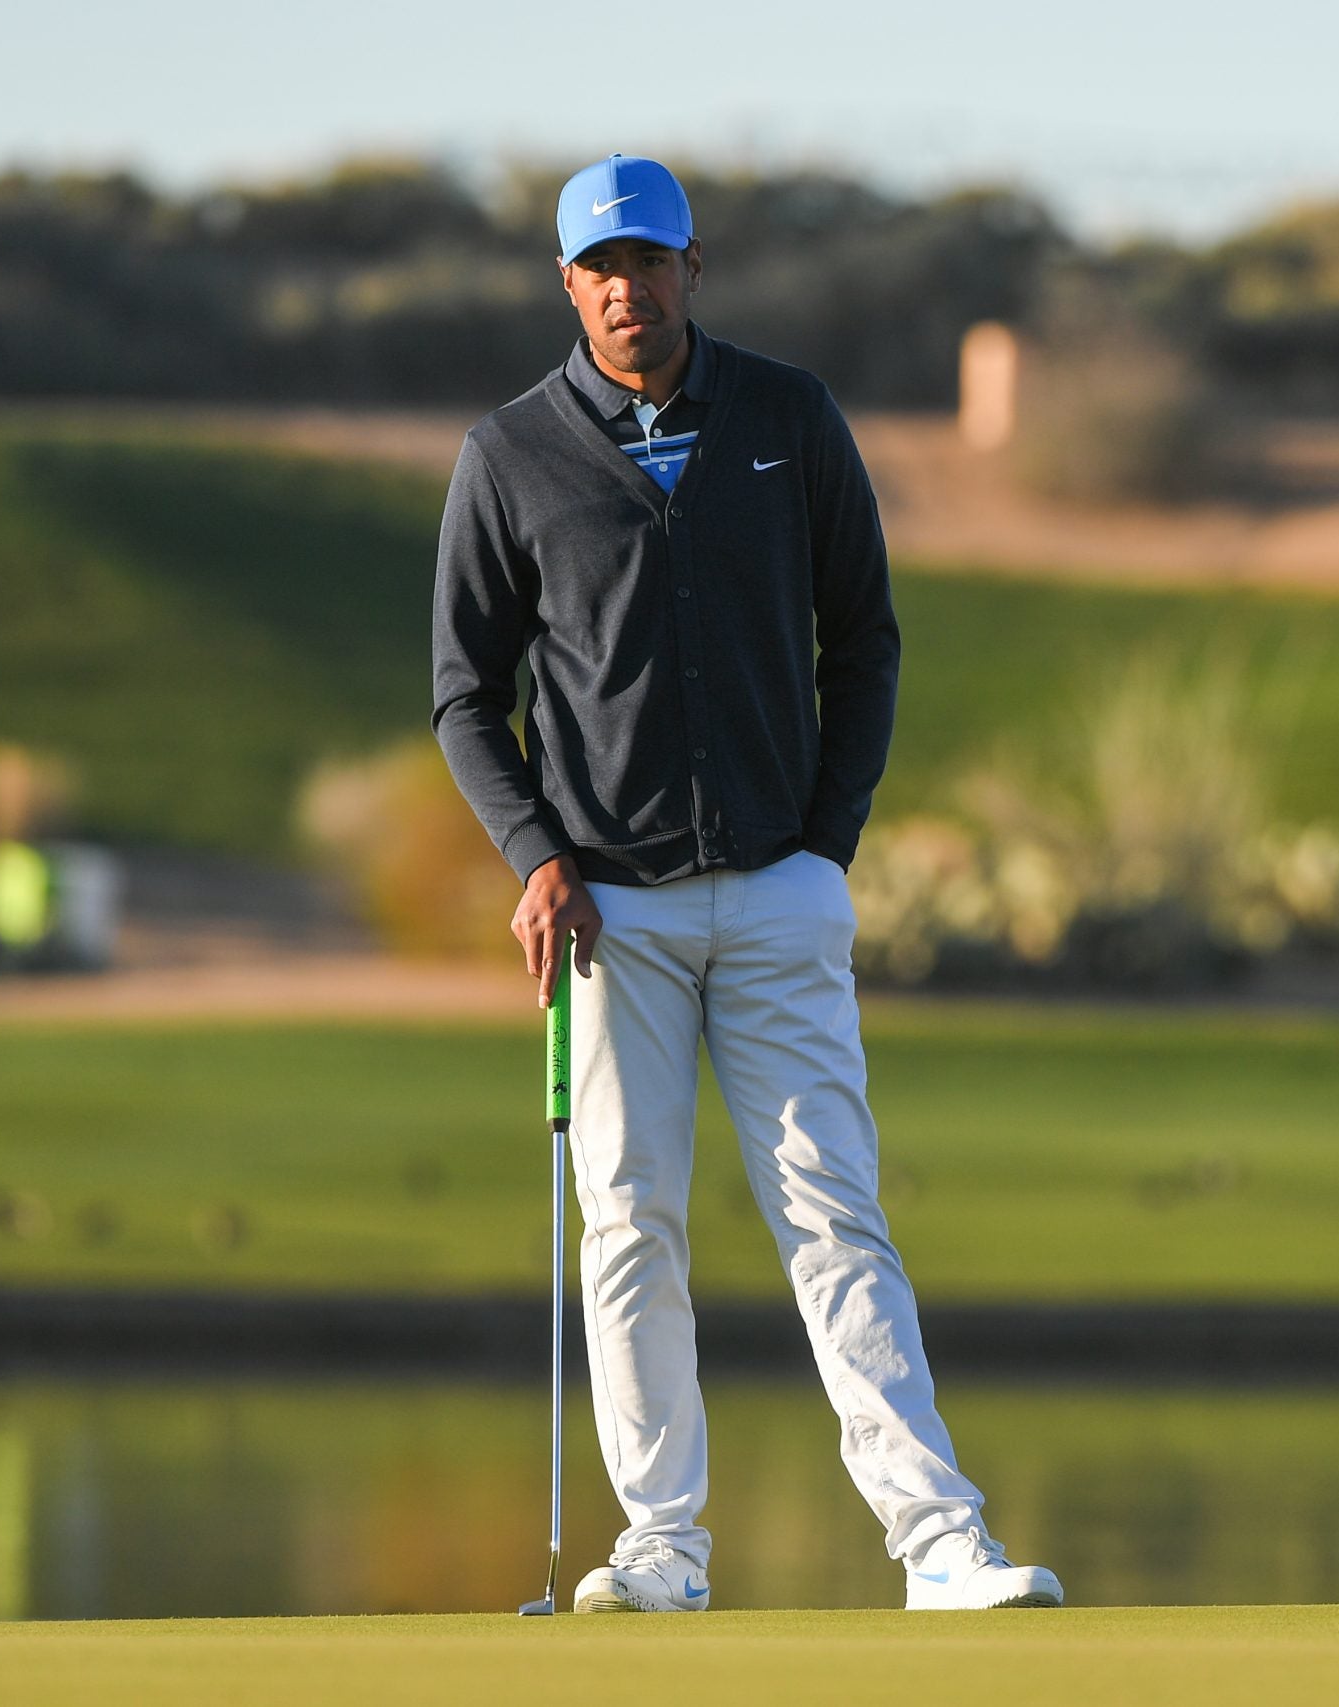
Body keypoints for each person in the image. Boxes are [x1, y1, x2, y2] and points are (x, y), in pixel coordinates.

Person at [430, 153, 1062, 1615]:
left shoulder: (788, 417)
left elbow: (870, 636)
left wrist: (827, 845)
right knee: (630, 1222)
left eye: (648, 262)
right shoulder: (511, 453)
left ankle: (938, 1543)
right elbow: (467, 698)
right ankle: (660, 1548)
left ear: (691, 268)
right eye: (599, 266)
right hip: (609, 915)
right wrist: (536, 858)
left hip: (781, 889)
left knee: (836, 1218)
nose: (625, 288)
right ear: (569, 283)